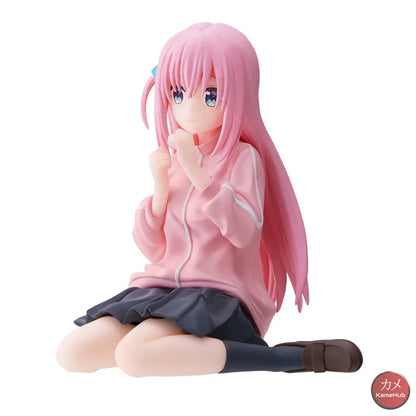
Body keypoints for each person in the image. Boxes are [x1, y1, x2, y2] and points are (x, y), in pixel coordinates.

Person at [56, 23, 363, 377]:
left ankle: (286, 359)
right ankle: (181, 350)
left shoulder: (243, 158)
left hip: (218, 295)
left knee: (133, 356)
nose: (189, 109)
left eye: (211, 95)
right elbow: (154, 249)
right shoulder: (173, 160)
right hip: (161, 287)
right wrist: (160, 186)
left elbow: (243, 231)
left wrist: (197, 172)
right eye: (177, 94)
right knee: (73, 352)